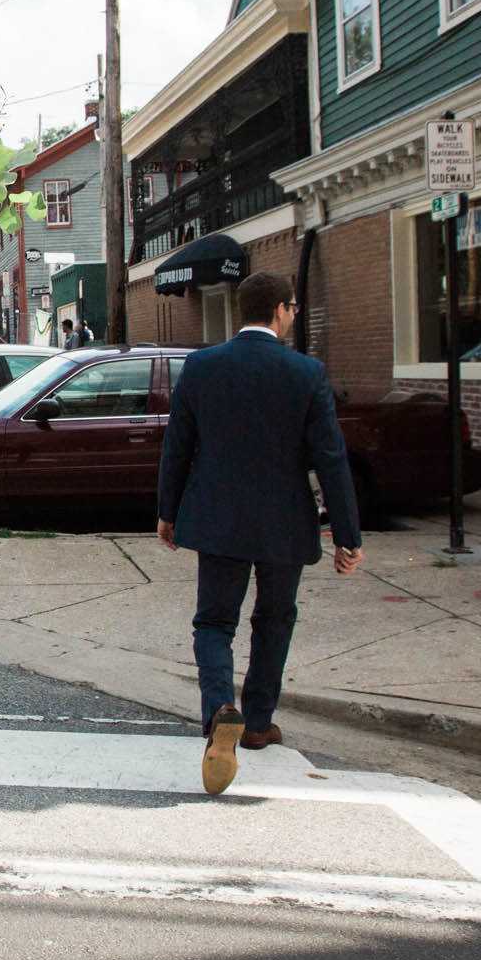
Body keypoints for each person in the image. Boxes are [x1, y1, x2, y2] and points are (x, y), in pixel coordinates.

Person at [154, 270, 362, 796]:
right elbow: (331, 460)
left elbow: (178, 446)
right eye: (292, 308)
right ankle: (259, 721)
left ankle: (221, 707)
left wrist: (167, 510)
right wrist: (347, 533)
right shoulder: (306, 373)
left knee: (214, 621)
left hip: (218, 517)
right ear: (280, 310)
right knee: (275, 618)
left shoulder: (201, 367)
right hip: (284, 520)